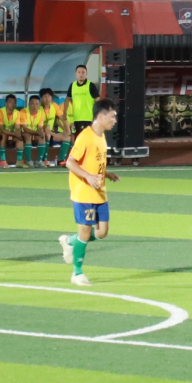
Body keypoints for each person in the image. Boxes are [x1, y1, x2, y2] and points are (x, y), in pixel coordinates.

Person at [58, 99, 120, 286]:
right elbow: (70, 162)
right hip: (84, 192)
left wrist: (106, 174)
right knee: (85, 233)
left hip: (99, 191)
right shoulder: (85, 136)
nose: (115, 120)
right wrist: (88, 177)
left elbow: (94, 162)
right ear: (100, 117)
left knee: (102, 232)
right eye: (112, 117)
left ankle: (70, 241)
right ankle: (77, 273)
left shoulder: (101, 136)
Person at [64, 65, 100, 146]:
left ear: (86, 74)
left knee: (87, 140)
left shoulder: (90, 85)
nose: (81, 74)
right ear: (75, 74)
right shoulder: (72, 85)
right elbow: (67, 99)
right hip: (76, 119)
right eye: (79, 72)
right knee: (77, 140)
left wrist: (97, 113)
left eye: (83, 72)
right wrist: (64, 112)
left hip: (88, 118)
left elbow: (97, 99)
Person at [0, 94, 24, 168]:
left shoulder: (17, 113)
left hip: (11, 134)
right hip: (1, 135)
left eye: (14, 102)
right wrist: (14, 134)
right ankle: (2, 160)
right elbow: (2, 129)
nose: (13, 104)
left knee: (20, 139)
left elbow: (17, 128)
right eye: (10, 102)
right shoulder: (0, 112)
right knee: (3, 135)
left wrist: (17, 133)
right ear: (6, 103)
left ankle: (19, 161)